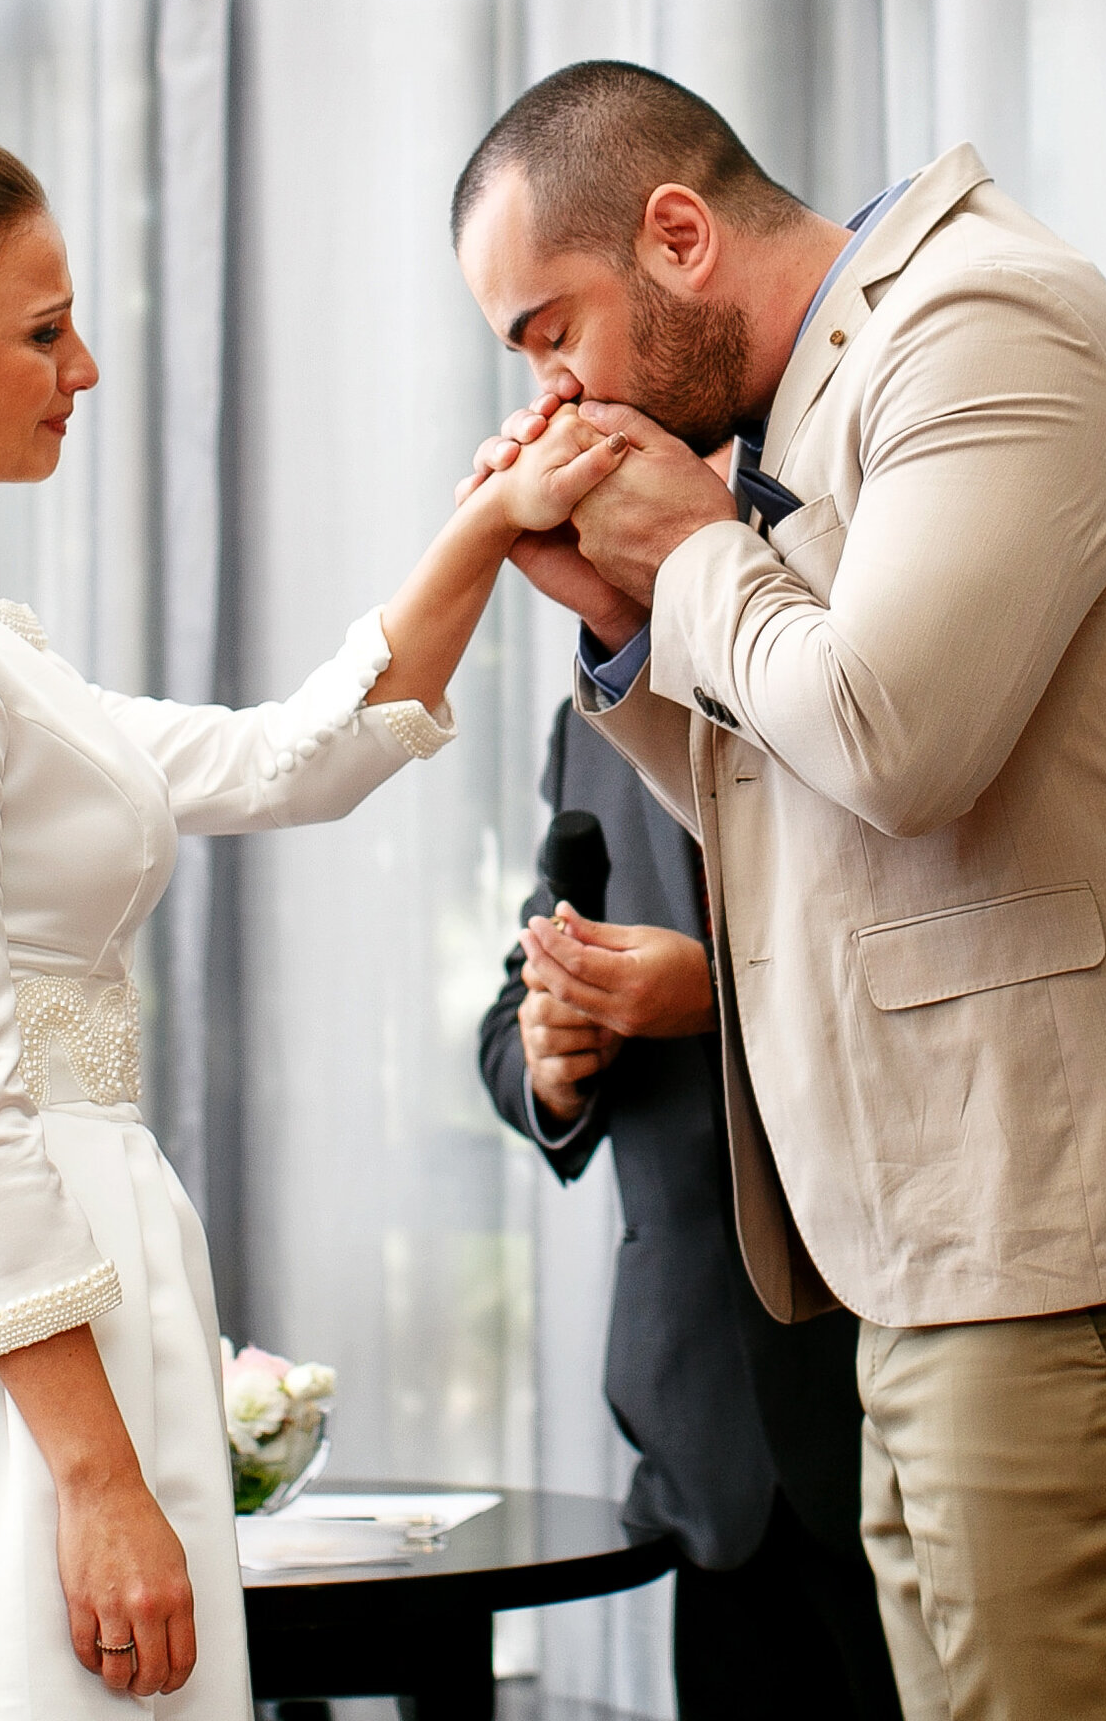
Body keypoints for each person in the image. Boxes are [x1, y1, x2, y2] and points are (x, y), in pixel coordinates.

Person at [0, 109, 625, 1720]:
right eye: (41, 331)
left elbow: (289, 757)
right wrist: (96, 1484)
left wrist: (486, 530)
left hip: (49, 1298)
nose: (84, 366)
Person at [452, 61, 1106, 1721]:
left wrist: (695, 556)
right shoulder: (814, 403)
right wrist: (625, 626)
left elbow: (894, 739)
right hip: (962, 1253)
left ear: (676, 235)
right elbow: (802, 825)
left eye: (546, 327)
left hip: (1092, 1245)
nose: (547, 387)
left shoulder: (983, 329)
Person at [480, 698, 900, 1720]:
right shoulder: (586, 719)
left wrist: (715, 996)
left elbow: (921, 963)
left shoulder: (837, 676)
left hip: (885, 1389)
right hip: (700, 1428)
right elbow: (513, 1007)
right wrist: (550, 1060)